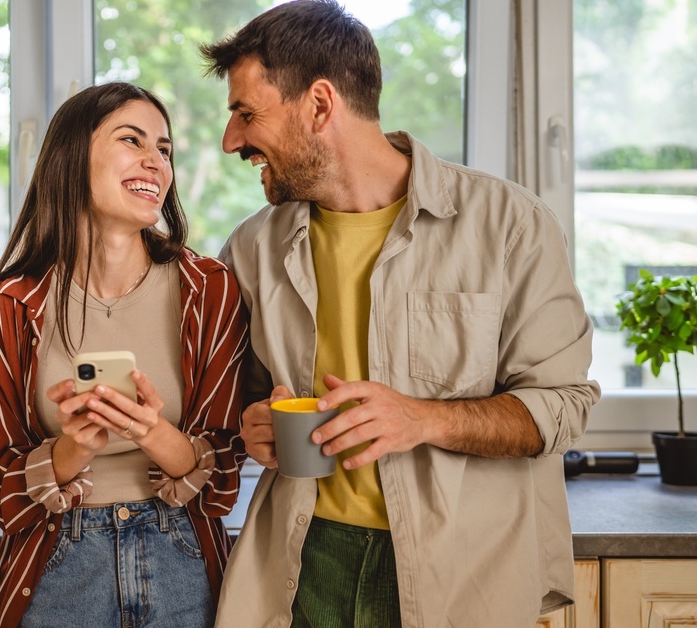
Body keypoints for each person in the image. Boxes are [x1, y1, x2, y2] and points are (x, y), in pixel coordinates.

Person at [201, 2, 601, 626]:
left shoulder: (508, 226)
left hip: (463, 572)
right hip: (305, 566)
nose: (232, 141)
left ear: (320, 104)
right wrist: (251, 426)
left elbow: (563, 406)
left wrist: (419, 419)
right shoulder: (252, 249)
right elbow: (235, 406)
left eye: (246, 114)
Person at [0, 82, 248, 628]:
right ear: (73, 157)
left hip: (181, 556)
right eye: (133, 140)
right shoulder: (12, 302)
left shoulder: (209, 288)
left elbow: (224, 471)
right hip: (60, 561)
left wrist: (152, 434)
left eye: (164, 149)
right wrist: (73, 448)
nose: (155, 161)